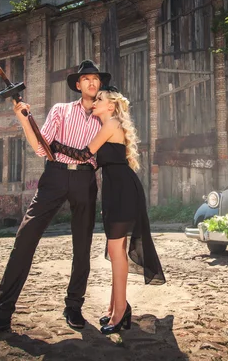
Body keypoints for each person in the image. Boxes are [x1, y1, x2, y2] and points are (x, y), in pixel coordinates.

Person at [0, 60, 111, 338]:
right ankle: (0, 314)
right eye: (86, 79)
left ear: (99, 84)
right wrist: (22, 116)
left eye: (96, 79)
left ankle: (73, 306)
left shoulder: (104, 115)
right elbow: (41, 148)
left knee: (82, 246)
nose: (92, 83)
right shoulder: (61, 110)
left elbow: (100, 150)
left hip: (84, 179)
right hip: (54, 177)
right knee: (24, 238)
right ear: (78, 85)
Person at [50, 86, 166, 335]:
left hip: (123, 189)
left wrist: (54, 144)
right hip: (117, 189)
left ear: (111, 106)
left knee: (116, 251)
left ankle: (120, 311)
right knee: (117, 251)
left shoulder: (111, 123)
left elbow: (84, 154)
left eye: (100, 98)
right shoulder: (108, 124)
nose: (95, 100)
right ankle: (116, 308)